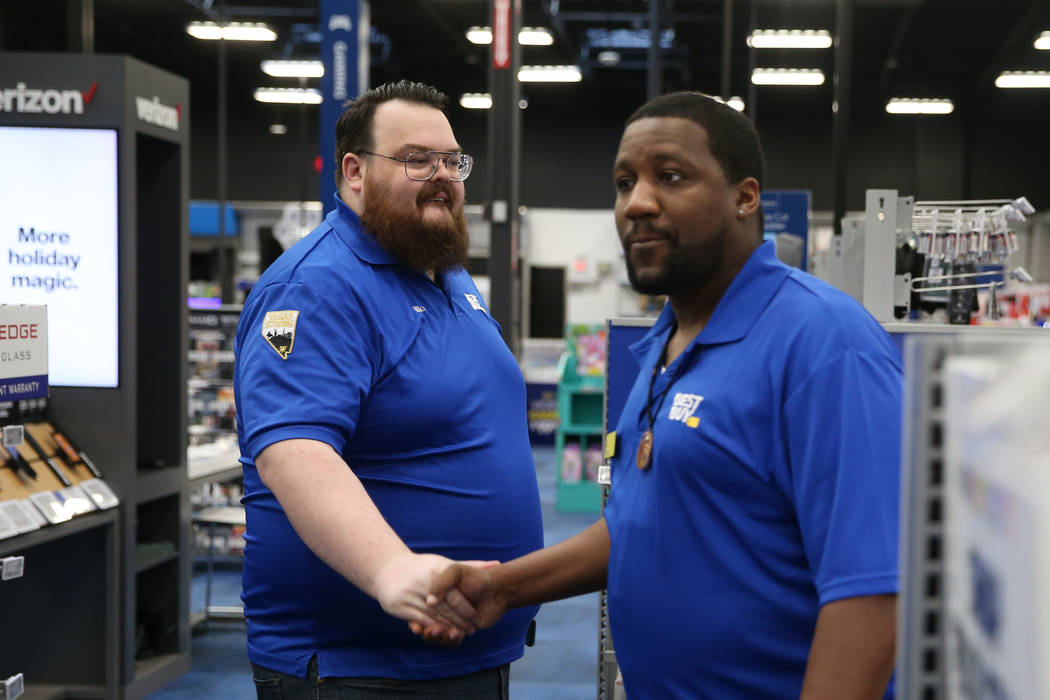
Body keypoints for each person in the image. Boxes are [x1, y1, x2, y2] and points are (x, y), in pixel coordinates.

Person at [422, 91, 902, 699]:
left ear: (745, 197)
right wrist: (505, 588)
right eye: (625, 182)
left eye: (670, 177)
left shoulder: (824, 344)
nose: (637, 204)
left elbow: (873, 591)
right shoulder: (662, 346)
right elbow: (641, 523)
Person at [233, 80, 544, 699]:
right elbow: (294, 450)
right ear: (353, 172)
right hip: (359, 670)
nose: (442, 176)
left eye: (453, 161)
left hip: (465, 653)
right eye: (415, 159)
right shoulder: (317, 286)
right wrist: (390, 568)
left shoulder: (447, 275)